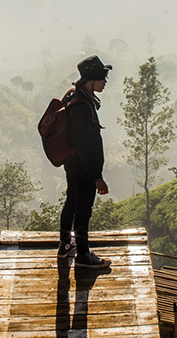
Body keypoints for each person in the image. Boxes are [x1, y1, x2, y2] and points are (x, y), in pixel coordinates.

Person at [57, 55, 112, 269]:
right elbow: (85, 145)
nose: (105, 82)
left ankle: (64, 246)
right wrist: (97, 177)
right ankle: (83, 255)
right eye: (101, 78)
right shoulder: (81, 106)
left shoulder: (76, 94)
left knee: (72, 202)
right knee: (83, 209)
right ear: (90, 80)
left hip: (73, 164)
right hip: (83, 167)